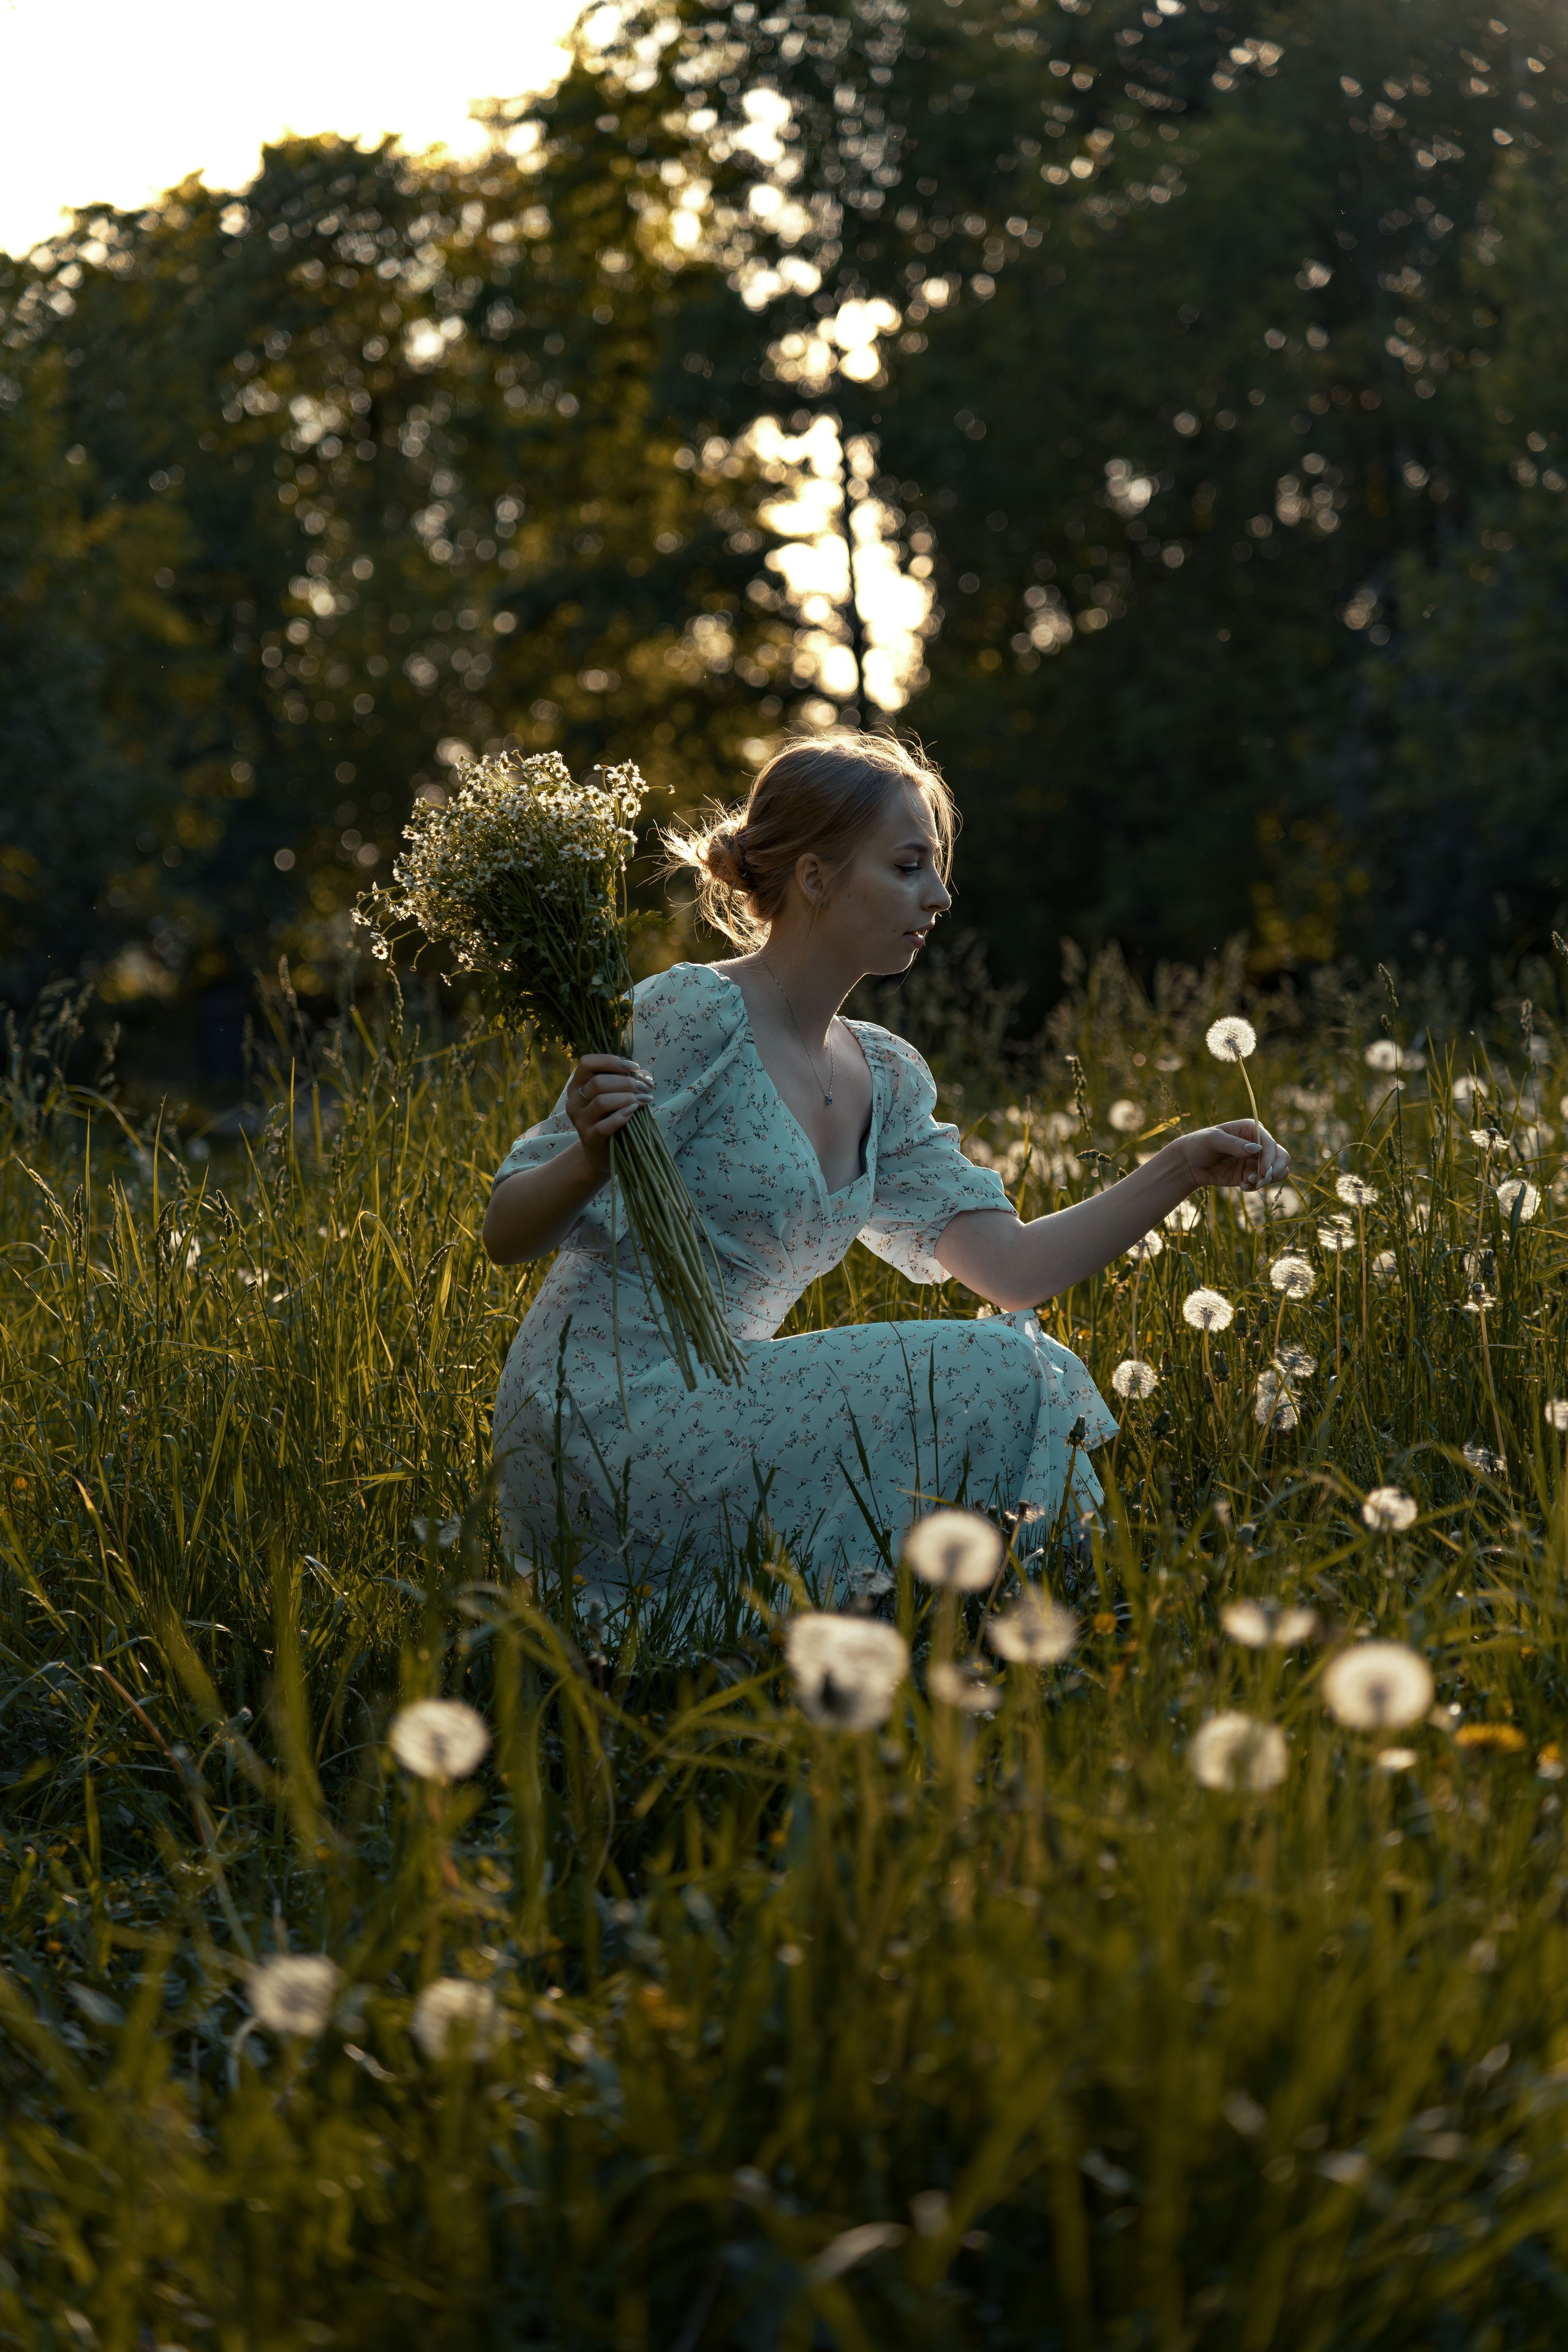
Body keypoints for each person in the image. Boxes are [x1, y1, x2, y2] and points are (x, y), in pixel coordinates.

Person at [483, 733, 1288, 1596]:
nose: (940, 896)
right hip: (600, 1421)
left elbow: (1014, 1273)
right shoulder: (694, 1013)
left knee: (1021, 1359)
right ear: (817, 877)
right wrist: (592, 1159)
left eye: (937, 870)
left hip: (723, 1402)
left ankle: (1018, 1617)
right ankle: (1059, 1615)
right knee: (1000, 1371)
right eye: (909, 867)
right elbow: (507, 1233)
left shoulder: (884, 1073)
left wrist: (1180, 1168)